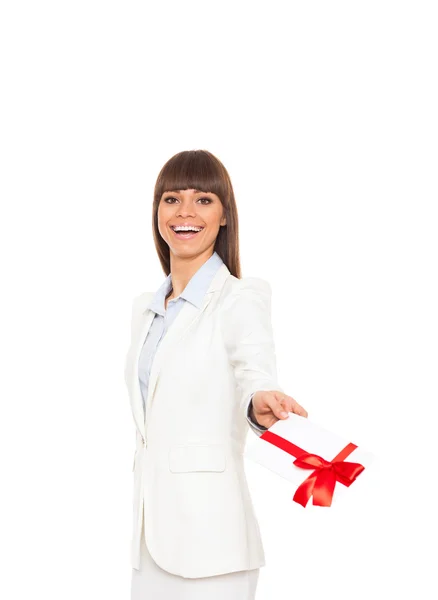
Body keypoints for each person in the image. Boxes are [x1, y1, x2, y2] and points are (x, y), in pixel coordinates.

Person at [124, 149, 308, 599]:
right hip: (151, 536)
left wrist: (260, 401)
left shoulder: (240, 298)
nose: (185, 211)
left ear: (225, 215)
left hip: (212, 541)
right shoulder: (145, 309)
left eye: (203, 199)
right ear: (157, 212)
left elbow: (254, 368)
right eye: (172, 199)